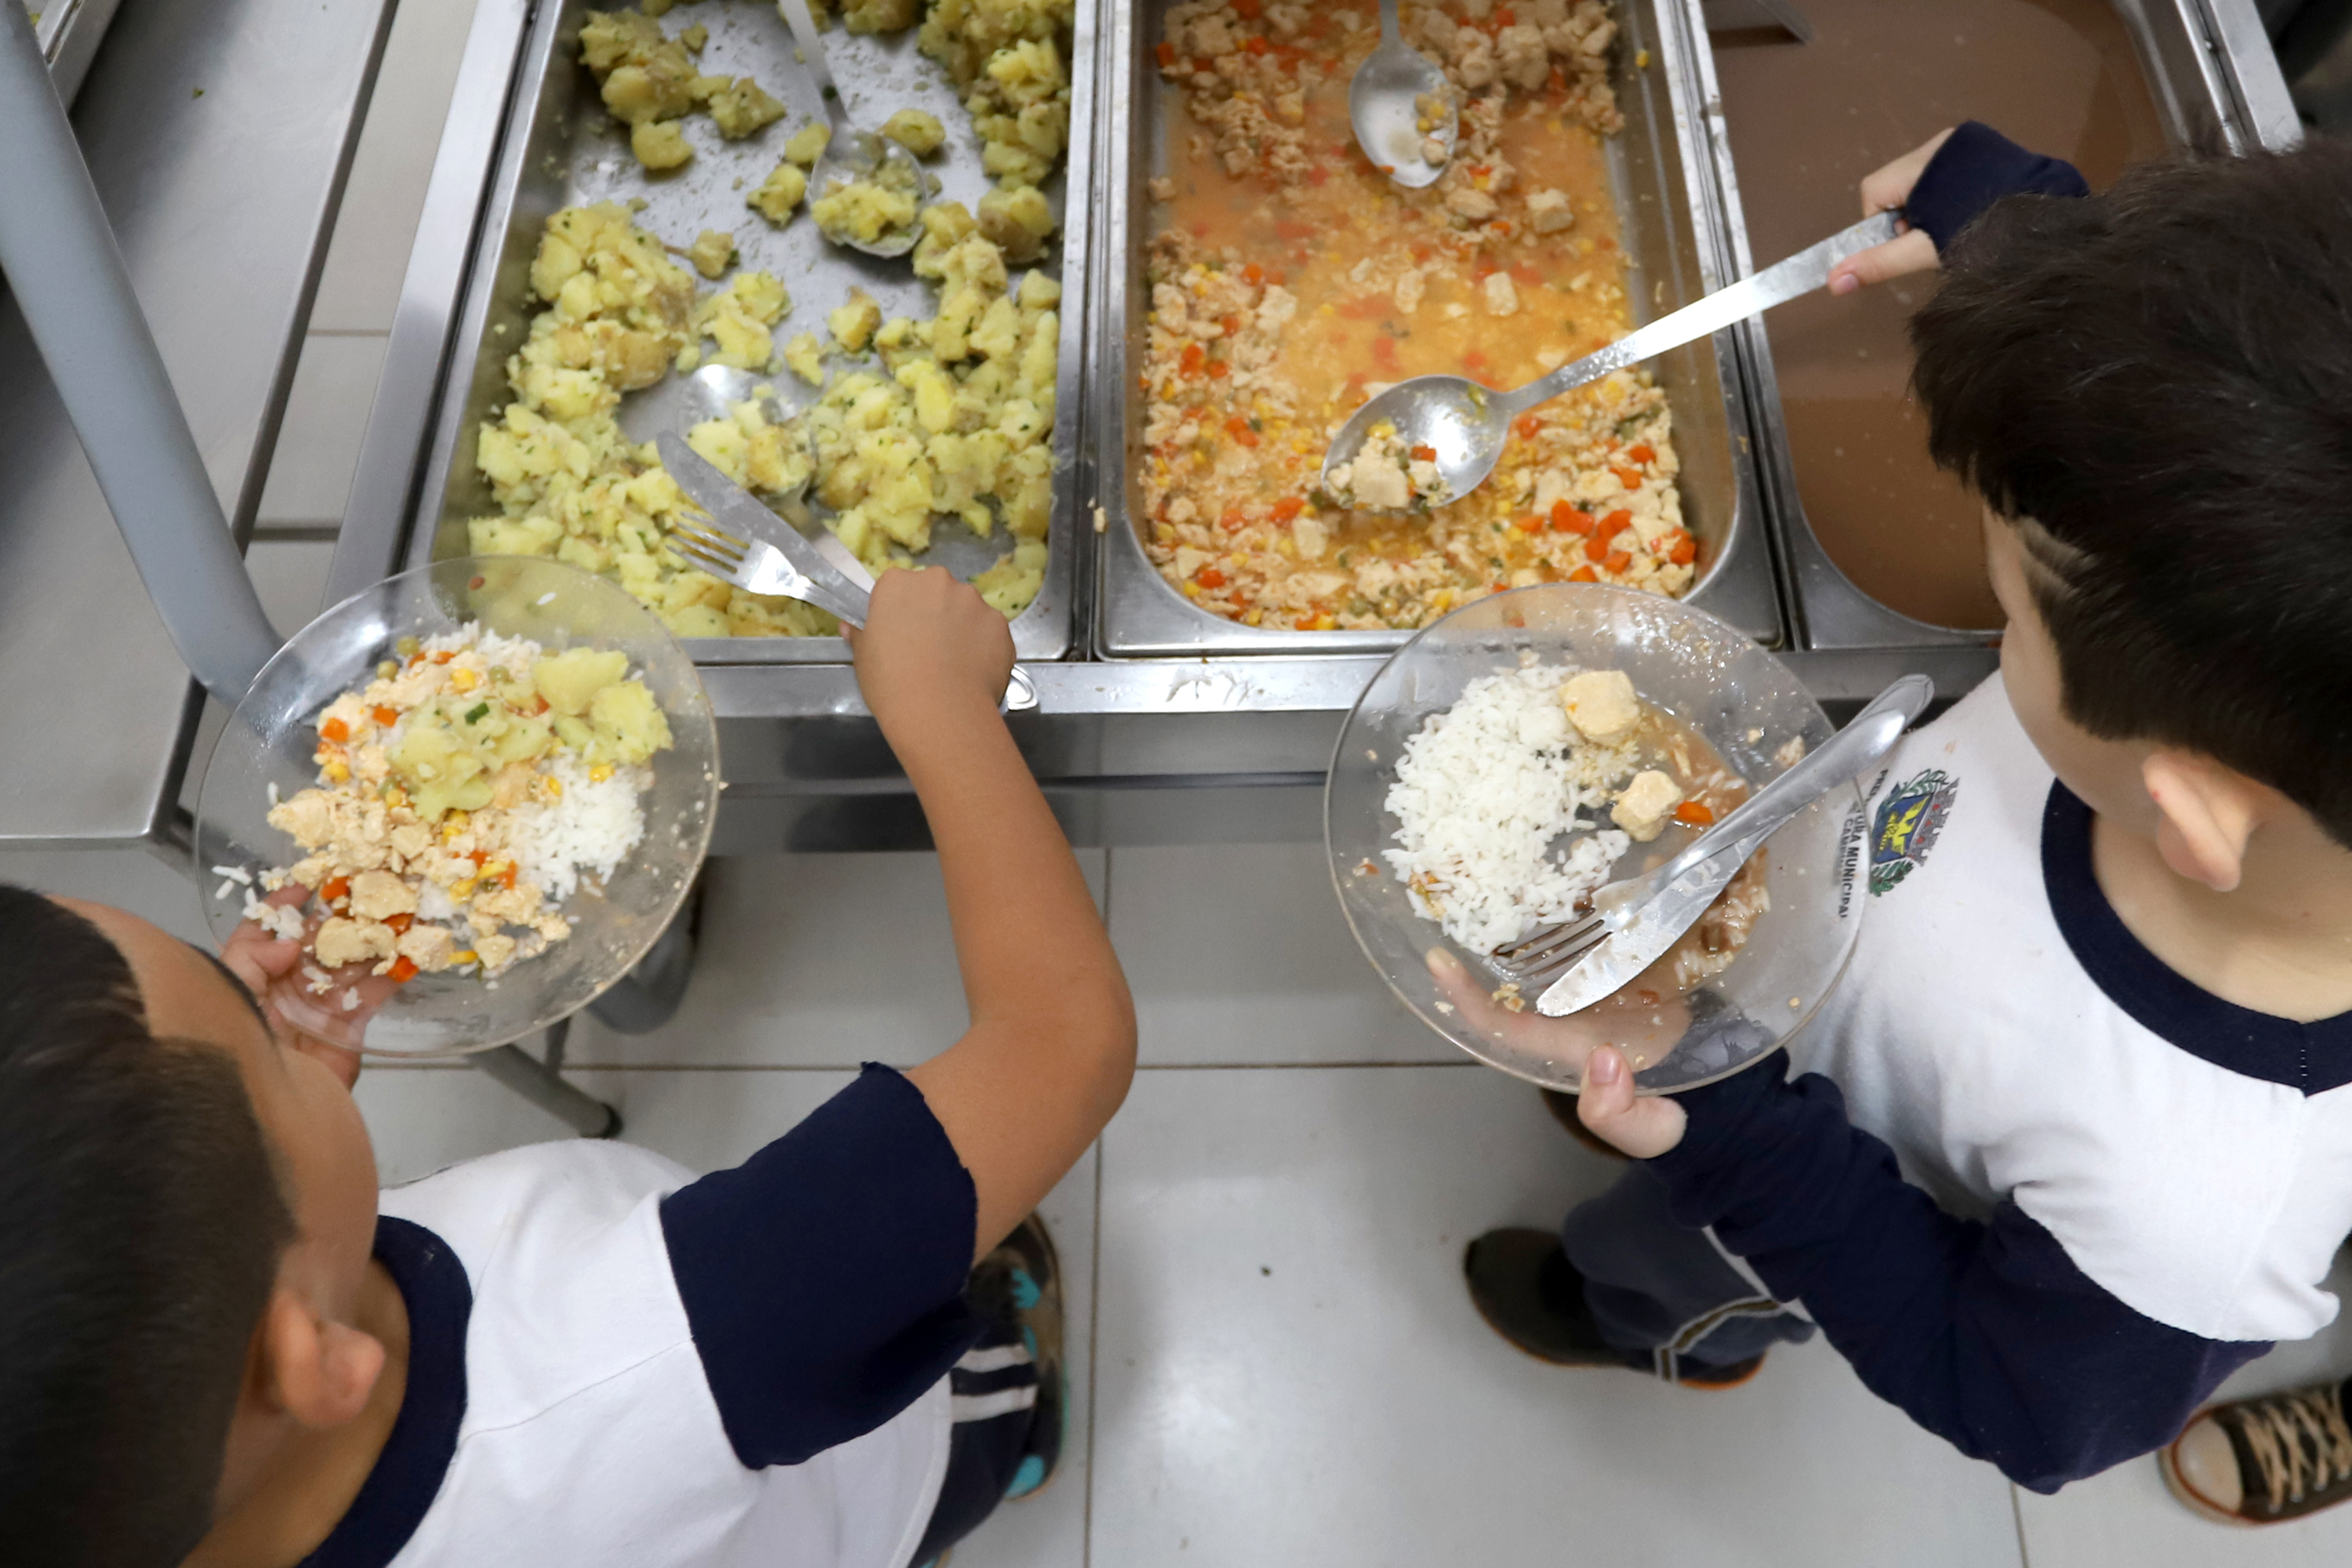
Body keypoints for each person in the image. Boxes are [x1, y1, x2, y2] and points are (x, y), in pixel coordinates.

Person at [1460, 128, 2352, 1519]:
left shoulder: (2197, 1219)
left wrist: (1735, 1130)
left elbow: (2003, 1401)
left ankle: (1656, 1334)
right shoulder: (2258, 728)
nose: (2007, 622)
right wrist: (2038, 260)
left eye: (2016, 610)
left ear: (2186, 808)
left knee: (1661, 1261)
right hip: (1786, 986)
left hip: (1809, 1186)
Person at [0, 564, 1137, 1568]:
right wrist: (942, 709)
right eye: (252, 1034)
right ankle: (1011, 1435)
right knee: (959, 1410)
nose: (264, 987)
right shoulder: (679, 1335)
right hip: (856, 1462)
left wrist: (280, 1098)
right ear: (309, 1358)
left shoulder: (142, 1485)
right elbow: (1063, 1040)